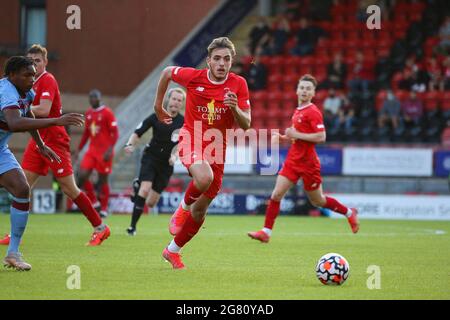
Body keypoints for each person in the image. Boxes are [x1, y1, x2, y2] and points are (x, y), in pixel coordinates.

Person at [154, 37, 251, 269]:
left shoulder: (239, 84)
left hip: (217, 148)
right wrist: (158, 105)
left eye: (226, 59)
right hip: (190, 137)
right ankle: (182, 208)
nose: (221, 63)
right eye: (217, 58)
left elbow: (247, 124)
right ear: (208, 61)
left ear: (231, 61)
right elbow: (167, 72)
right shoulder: (193, 77)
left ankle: (172, 251)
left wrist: (235, 107)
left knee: (200, 211)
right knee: (203, 179)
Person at [248, 74, 359, 243]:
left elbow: (321, 137)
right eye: (302, 88)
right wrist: (285, 137)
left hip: (308, 163)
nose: (304, 91)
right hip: (293, 160)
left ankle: (349, 213)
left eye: (308, 88)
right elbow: (298, 137)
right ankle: (266, 232)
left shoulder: (313, 112)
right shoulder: (298, 110)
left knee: (318, 201)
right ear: (297, 90)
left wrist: (295, 133)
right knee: (276, 194)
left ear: (313, 93)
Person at [20, 44, 110, 246]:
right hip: (37, 139)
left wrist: (18, 109)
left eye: (37, 61)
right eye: (30, 61)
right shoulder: (27, 82)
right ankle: (15, 234)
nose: (33, 65)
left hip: (54, 140)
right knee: (22, 187)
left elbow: (43, 110)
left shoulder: (48, 80)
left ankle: (100, 228)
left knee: (69, 188)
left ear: (45, 62)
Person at [0, 56, 84, 270]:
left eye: (34, 75)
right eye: (27, 75)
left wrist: (40, 144)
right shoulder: (6, 90)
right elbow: (15, 122)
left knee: (21, 189)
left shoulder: (27, 93)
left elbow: (28, 115)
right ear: (11, 75)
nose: (32, 79)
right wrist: (57, 120)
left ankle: (13, 253)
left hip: (1, 150)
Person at [124, 88, 185, 236]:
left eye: (179, 100)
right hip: (151, 157)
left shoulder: (184, 122)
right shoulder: (157, 116)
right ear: (168, 99)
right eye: (174, 99)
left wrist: (175, 156)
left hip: (166, 164)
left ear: (182, 104)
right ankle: (132, 227)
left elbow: (182, 143)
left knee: (151, 202)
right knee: (145, 189)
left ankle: (137, 189)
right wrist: (130, 145)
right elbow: (138, 132)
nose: (176, 102)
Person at [76, 89, 119, 218]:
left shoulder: (107, 113)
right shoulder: (88, 114)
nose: (92, 99)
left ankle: (104, 208)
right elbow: (87, 134)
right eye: (90, 97)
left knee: (102, 180)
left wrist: (110, 149)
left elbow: (115, 133)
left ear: (100, 98)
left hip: (104, 152)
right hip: (92, 151)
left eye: (95, 97)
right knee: (82, 176)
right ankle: (94, 202)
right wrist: (79, 149)